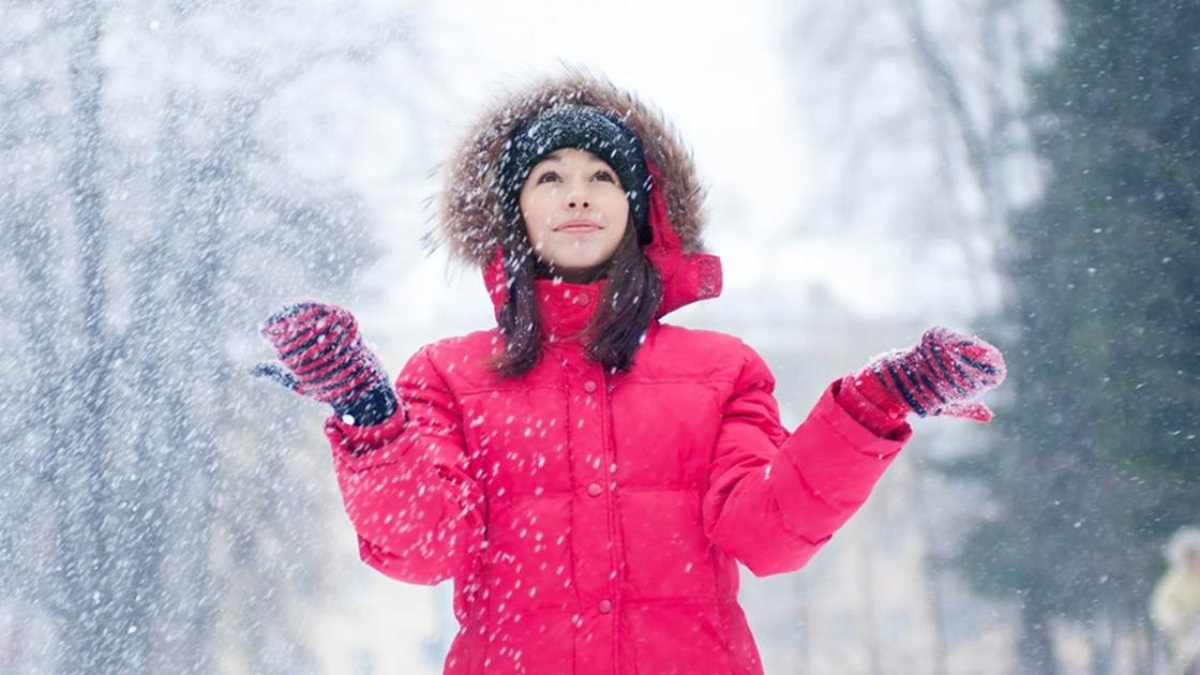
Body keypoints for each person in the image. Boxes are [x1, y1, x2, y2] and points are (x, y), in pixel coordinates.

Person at [254, 71, 1007, 675]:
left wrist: (882, 401)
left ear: (640, 210)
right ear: (513, 213)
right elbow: (424, 549)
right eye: (547, 176)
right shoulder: (449, 375)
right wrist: (367, 412)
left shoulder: (723, 371)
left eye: (601, 176)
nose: (576, 192)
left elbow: (768, 534)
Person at [1152, 526, 1200, 675]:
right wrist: (1177, 620)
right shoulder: (1173, 581)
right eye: (1188, 556)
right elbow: (1163, 604)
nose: (1192, 560)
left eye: (1195, 555)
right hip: (1183, 638)